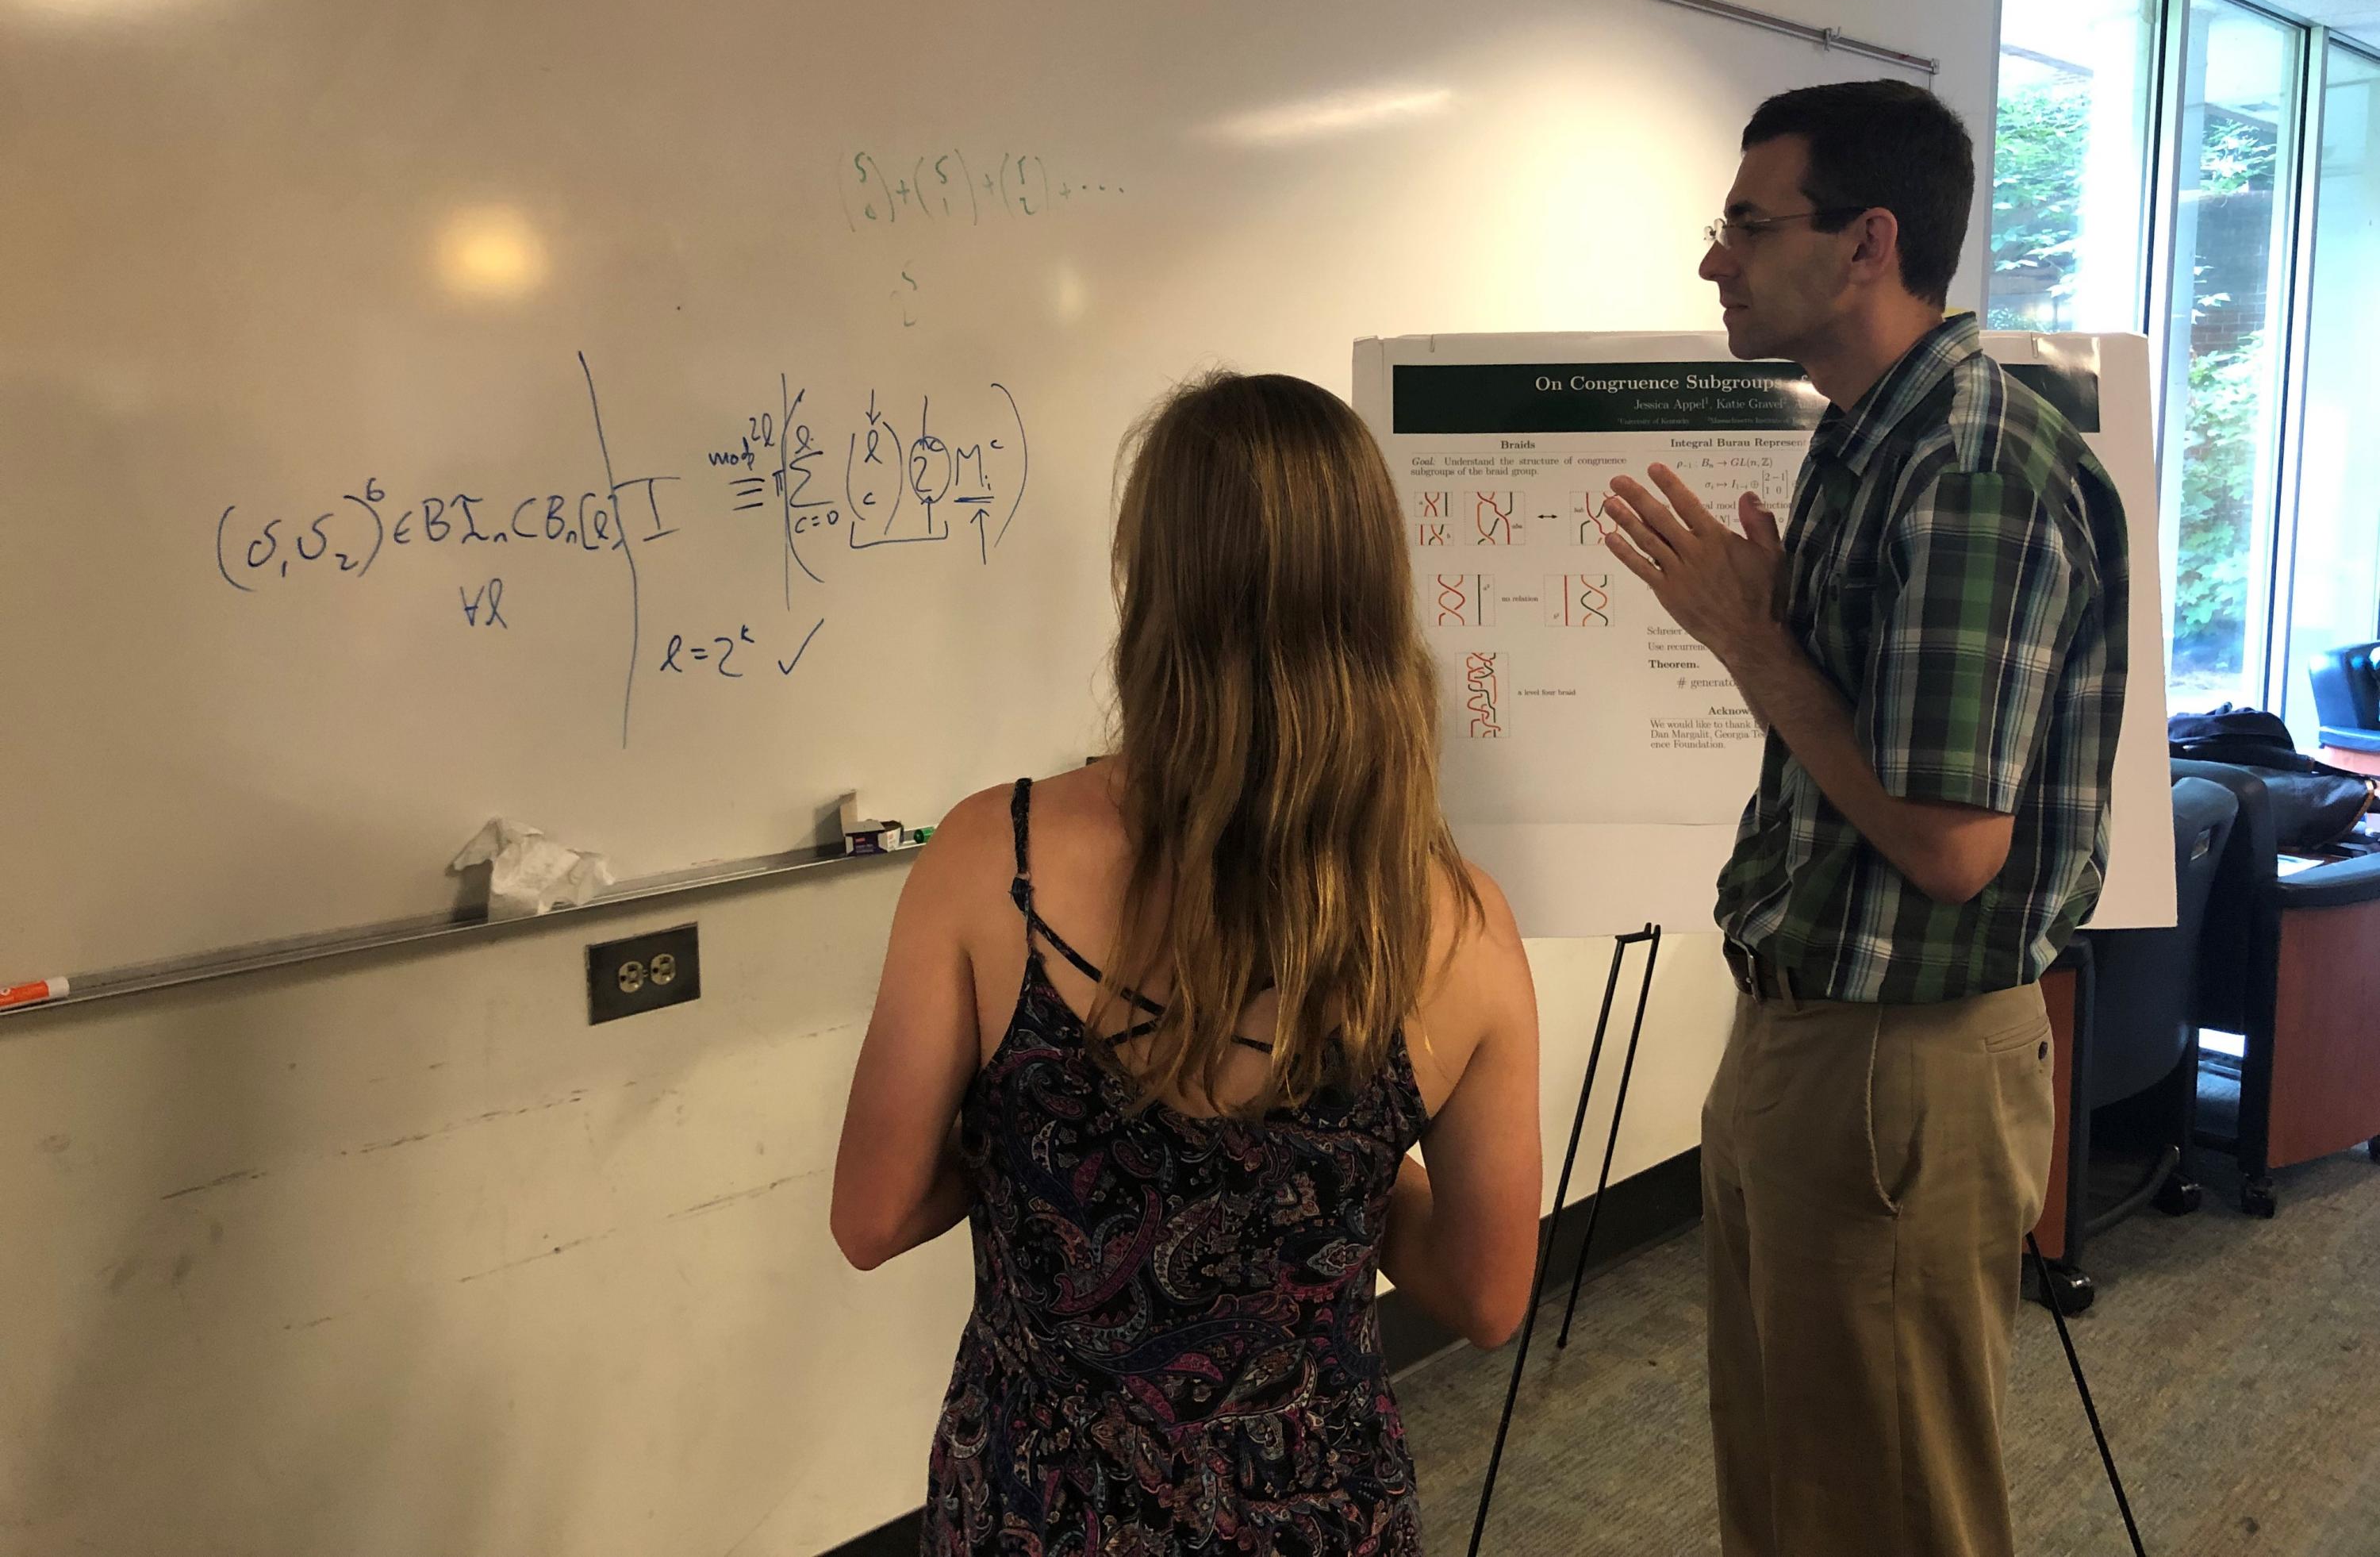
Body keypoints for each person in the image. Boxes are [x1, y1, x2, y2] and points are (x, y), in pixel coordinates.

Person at [831, 370, 1542, 1555]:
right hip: (1314, 1512)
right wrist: (1332, 1179)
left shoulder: (985, 858)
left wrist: (1022, 1150)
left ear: (1149, 584)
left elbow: (873, 1211)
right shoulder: (1460, 927)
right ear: (1376, 597)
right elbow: (1486, 1293)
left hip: (1037, 1511)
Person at [1599, 80, 2129, 1557]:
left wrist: (1750, 645)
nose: (1717, 258)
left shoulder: (1964, 461)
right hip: (1813, 1035)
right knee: (1795, 1490)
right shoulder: (1863, 435)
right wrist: (1772, 636)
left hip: (1899, 1059)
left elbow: (1955, 850)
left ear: (1866, 244)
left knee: (1890, 1511)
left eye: (1749, 223)